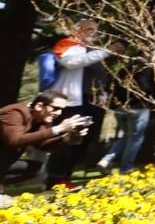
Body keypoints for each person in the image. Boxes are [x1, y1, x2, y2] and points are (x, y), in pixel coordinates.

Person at [45, 21, 121, 187]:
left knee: (85, 139)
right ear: (76, 29)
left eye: (93, 29)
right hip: (70, 102)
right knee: (66, 141)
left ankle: (67, 177)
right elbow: (71, 63)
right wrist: (106, 51)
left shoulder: (94, 49)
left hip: (93, 102)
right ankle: (56, 179)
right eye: (86, 28)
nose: (90, 32)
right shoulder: (67, 44)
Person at [1, 91, 91, 206]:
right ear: (39, 106)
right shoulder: (15, 113)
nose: (59, 113)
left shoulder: (40, 120)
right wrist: (58, 128)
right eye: (56, 108)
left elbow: (43, 145)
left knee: (35, 168)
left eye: (62, 109)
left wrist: (65, 138)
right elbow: (15, 141)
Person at [97, 58, 155, 174]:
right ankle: (126, 167)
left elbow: (110, 87)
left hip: (120, 108)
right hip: (138, 107)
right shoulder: (146, 70)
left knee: (125, 137)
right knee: (135, 139)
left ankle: (106, 160)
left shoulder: (122, 70)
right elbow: (146, 87)